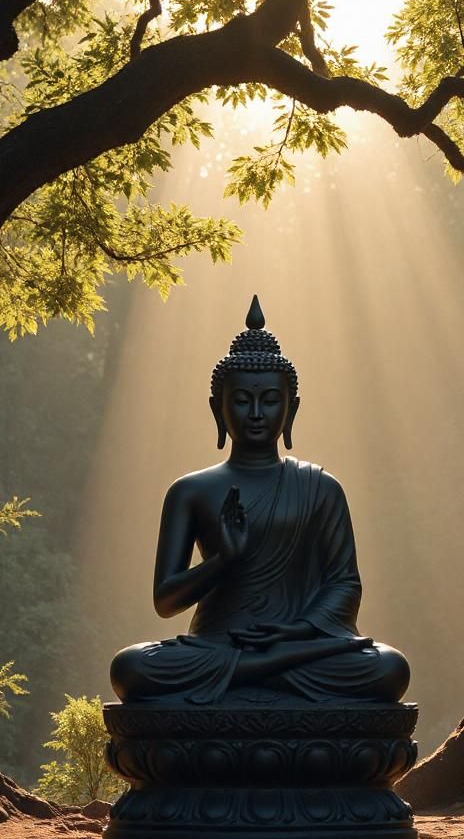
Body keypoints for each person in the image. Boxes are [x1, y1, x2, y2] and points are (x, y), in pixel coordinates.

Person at [110, 297, 410, 706]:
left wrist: (300, 631)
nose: (255, 412)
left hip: (295, 645)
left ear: (291, 410)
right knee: (130, 668)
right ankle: (265, 672)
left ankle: (253, 673)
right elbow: (166, 601)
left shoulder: (320, 488)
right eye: (241, 400)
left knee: (390, 669)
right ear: (218, 408)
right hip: (217, 647)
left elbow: (344, 583)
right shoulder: (191, 491)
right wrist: (223, 561)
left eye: (269, 400)